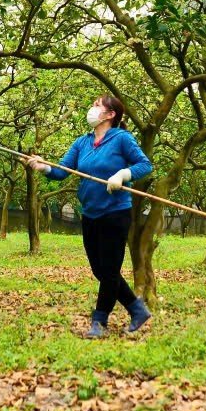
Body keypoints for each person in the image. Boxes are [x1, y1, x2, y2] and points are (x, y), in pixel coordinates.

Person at [25, 94, 154, 338]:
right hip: (90, 213)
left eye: (96, 105)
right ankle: (137, 309)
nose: (91, 108)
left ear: (110, 114)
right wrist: (43, 167)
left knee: (110, 268)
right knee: (101, 270)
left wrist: (123, 175)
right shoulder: (82, 143)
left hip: (115, 213)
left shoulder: (121, 139)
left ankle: (99, 321)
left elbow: (144, 165)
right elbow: (62, 171)